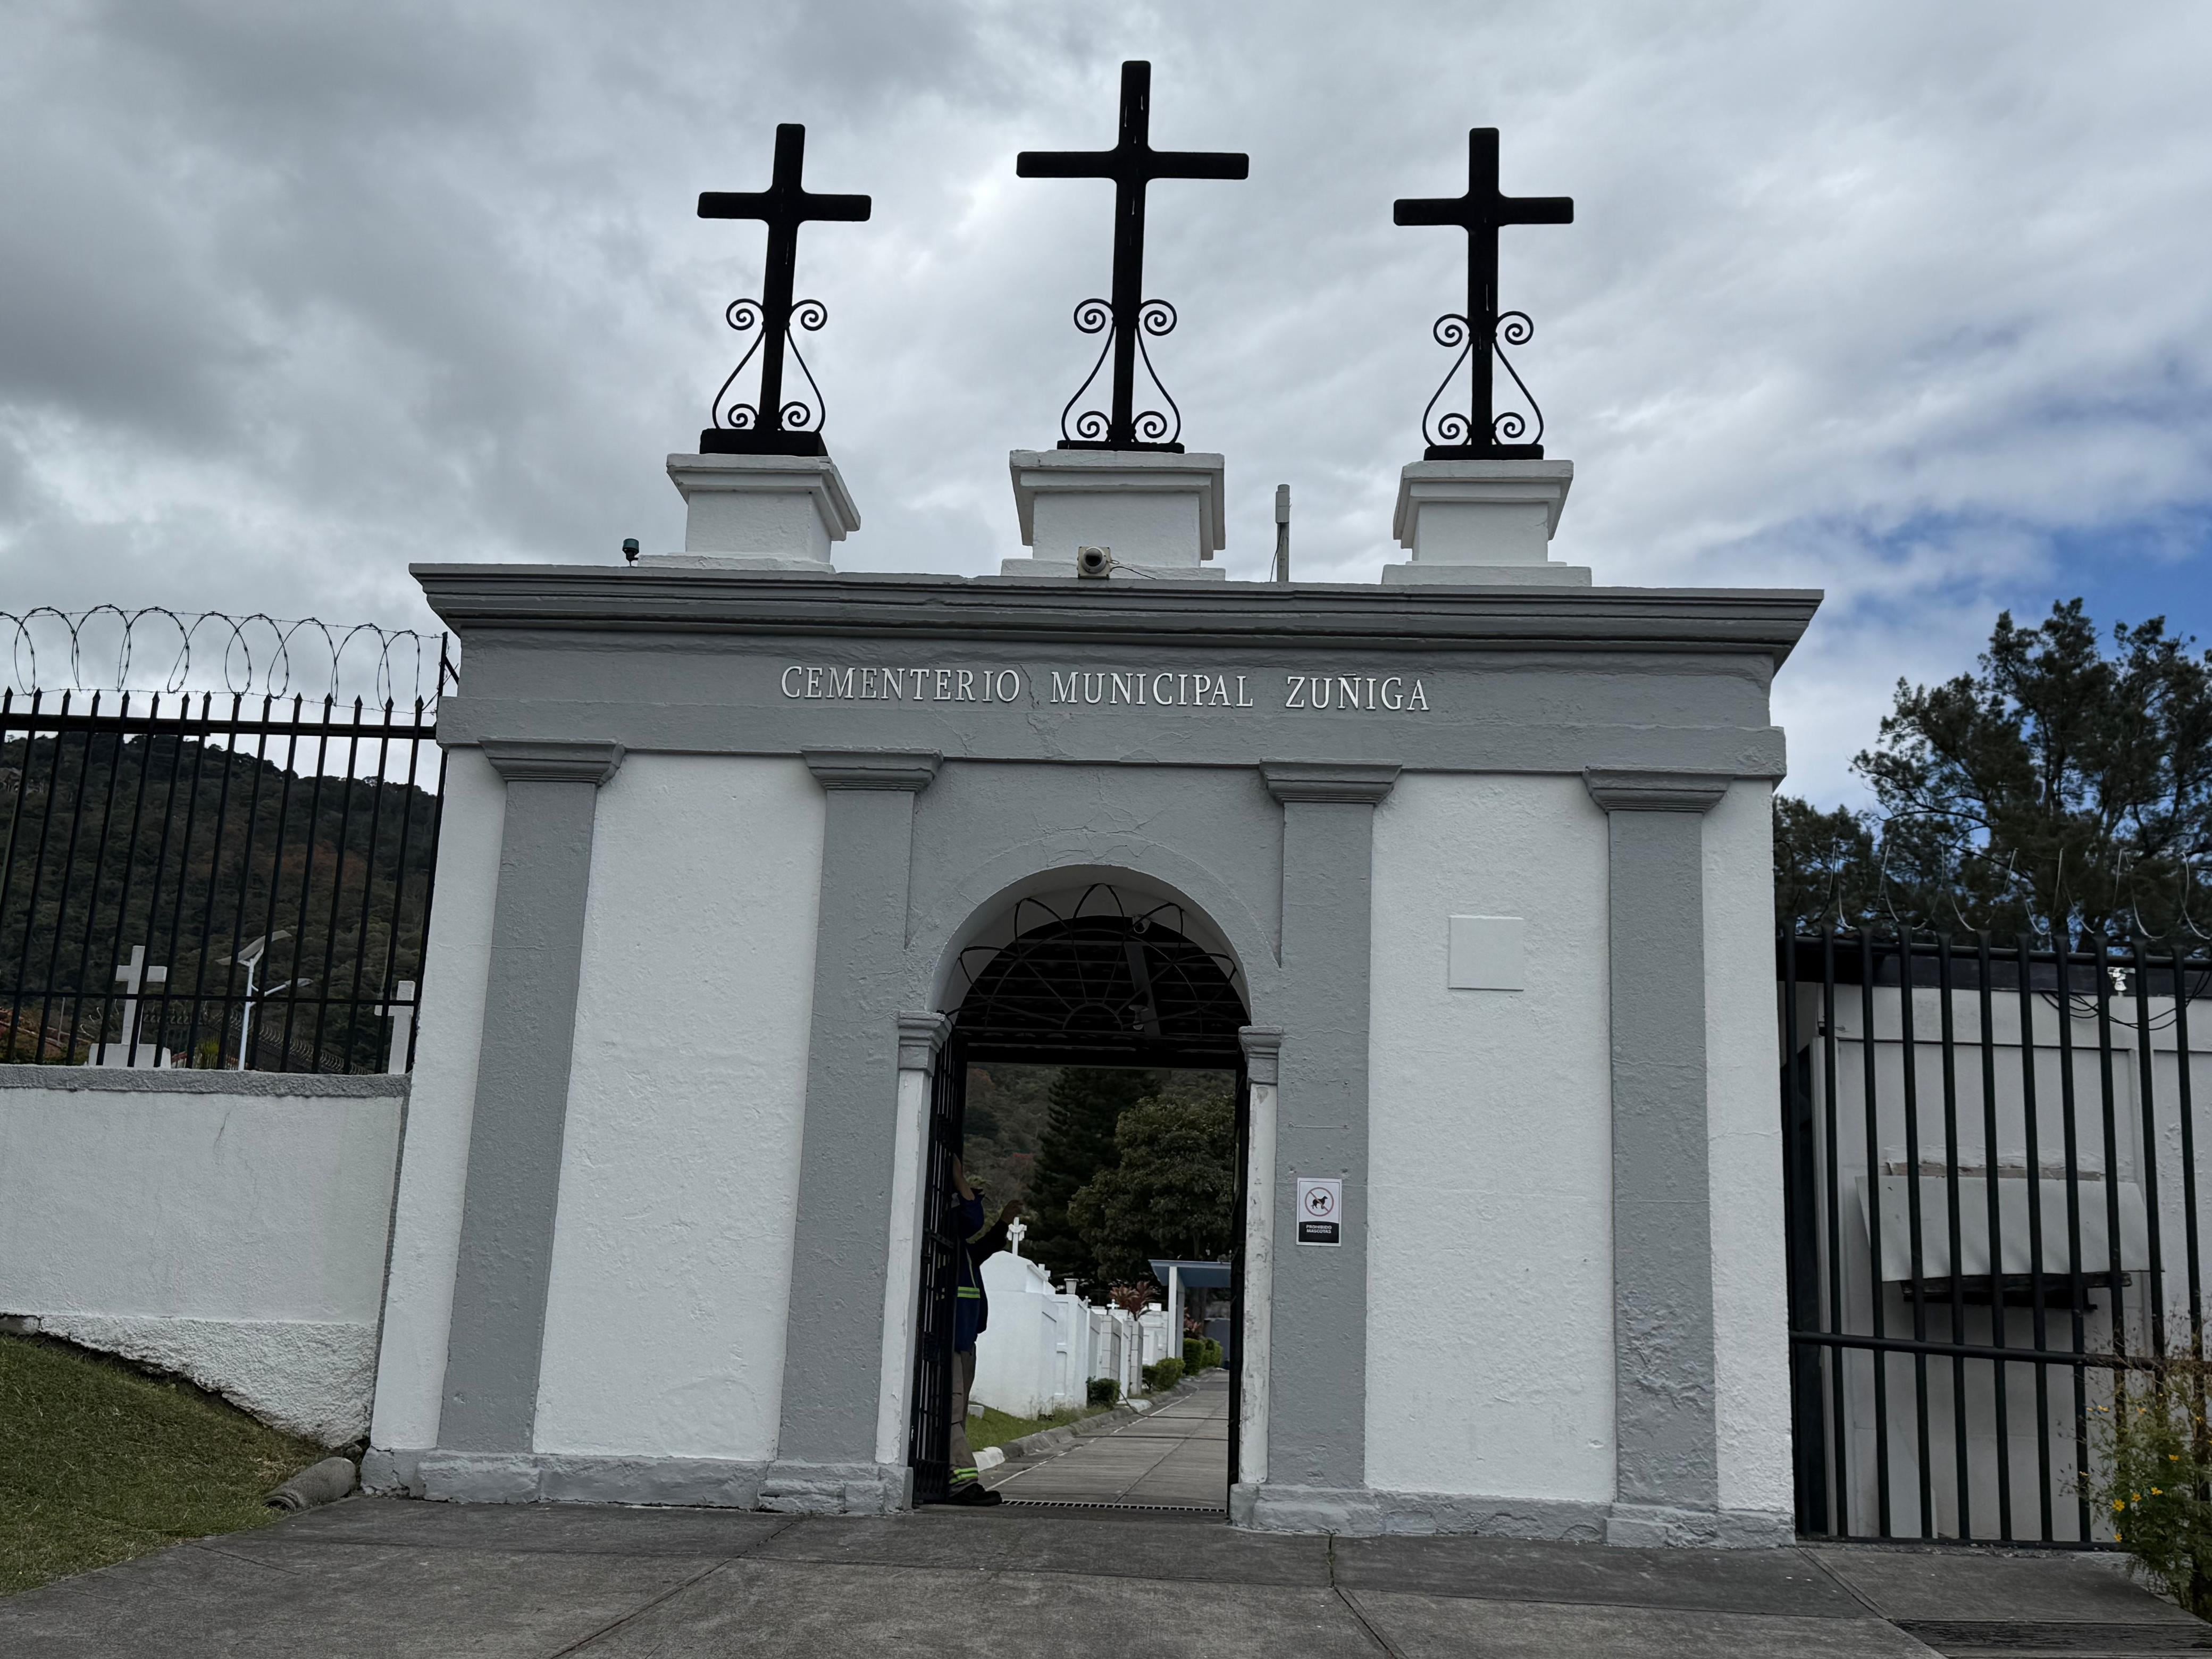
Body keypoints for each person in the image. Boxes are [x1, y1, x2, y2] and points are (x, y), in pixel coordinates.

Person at [944, 1157, 1021, 1506]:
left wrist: (1004, 1222)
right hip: (950, 1342)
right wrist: (959, 1179)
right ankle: (961, 1484)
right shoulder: (946, 1236)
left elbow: (988, 1245)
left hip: (965, 1342)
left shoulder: (962, 1252)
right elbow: (973, 1219)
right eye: (968, 1197)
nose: (973, 1203)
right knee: (951, 1413)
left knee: (957, 1414)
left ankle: (951, 1480)